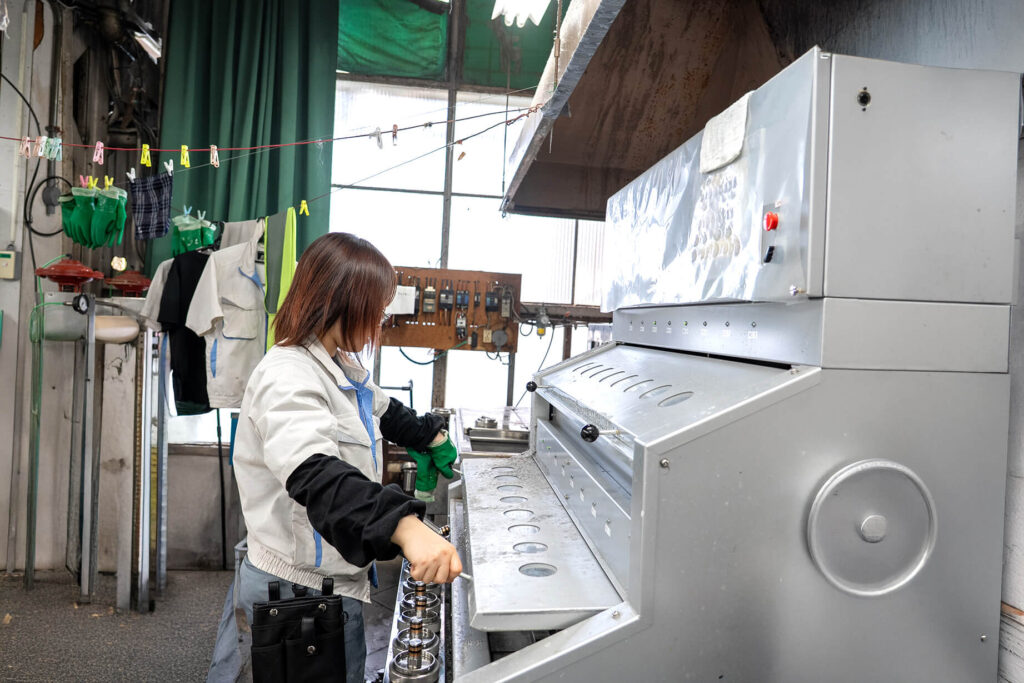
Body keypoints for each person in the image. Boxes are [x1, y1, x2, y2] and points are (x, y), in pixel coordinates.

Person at [207, 233, 462, 683]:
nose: (381, 319)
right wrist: (404, 526)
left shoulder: (336, 365)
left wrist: (429, 435)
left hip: (324, 586)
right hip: (296, 597)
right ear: (346, 303)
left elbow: (382, 409)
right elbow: (317, 476)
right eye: (377, 308)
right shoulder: (288, 375)